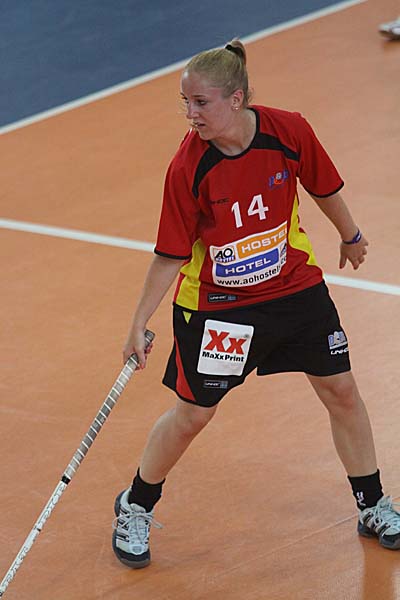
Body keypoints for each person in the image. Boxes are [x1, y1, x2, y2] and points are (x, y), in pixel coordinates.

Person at [112, 39, 400, 569]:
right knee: (193, 416)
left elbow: (322, 185)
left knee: (341, 390)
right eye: (185, 103)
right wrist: (138, 321)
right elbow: (171, 253)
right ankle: (136, 504)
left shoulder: (288, 130)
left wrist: (351, 234)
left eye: (201, 102)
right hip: (220, 307)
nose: (191, 114)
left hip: (293, 289)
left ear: (237, 98)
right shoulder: (188, 167)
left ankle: (372, 504)